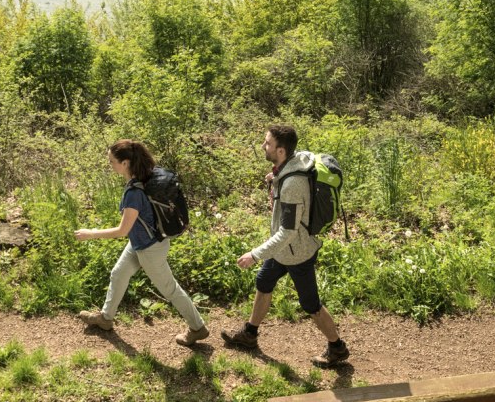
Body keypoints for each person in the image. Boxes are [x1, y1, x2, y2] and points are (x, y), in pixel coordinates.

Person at [222, 124, 350, 367]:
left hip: (296, 252)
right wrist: (276, 177)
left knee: (310, 304)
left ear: (281, 150)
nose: (263, 146)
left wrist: (254, 254)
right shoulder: (295, 161)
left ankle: (337, 348)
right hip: (284, 251)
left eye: (267, 143)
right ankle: (250, 334)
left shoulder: (292, 186)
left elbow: (287, 232)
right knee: (264, 281)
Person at [74, 139, 209, 347]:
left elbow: (122, 231)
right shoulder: (148, 175)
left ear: (125, 163)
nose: (110, 165)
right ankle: (105, 318)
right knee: (119, 274)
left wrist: (90, 233)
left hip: (150, 249)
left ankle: (197, 328)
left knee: (170, 290)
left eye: (112, 161)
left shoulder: (134, 194)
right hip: (144, 242)